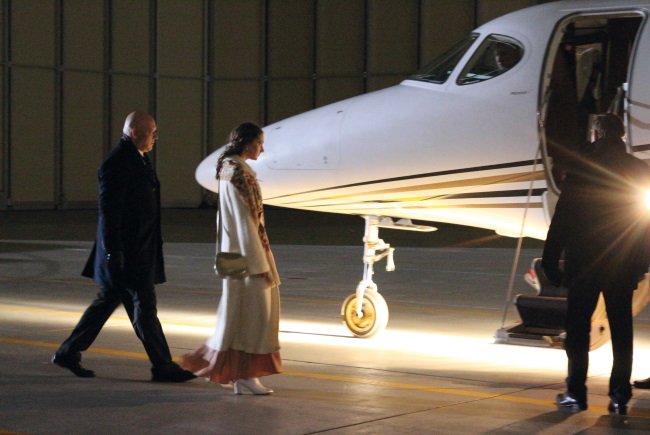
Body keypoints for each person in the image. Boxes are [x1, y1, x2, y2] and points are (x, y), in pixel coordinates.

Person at [51, 112, 196, 383]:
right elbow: (109, 212)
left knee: (113, 303)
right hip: (128, 253)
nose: (156, 137)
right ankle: (163, 366)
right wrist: (113, 252)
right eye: (151, 131)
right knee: (143, 306)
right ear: (134, 132)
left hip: (136, 250)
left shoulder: (137, 158)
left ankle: (68, 352)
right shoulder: (118, 162)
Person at [542, 113, 650, 415]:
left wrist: (551, 259)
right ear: (622, 135)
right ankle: (620, 396)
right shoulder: (639, 169)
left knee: (577, 329)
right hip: (622, 264)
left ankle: (576, 393)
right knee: (622, 330)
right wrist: (642, 260)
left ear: (595, 134)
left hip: (584, 263)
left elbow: (563, 216)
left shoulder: (582, 167)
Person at [181, 122, 282, 395]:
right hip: (248, 256)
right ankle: (246, 374)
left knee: (237, 313)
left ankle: (239, 375)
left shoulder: (227, 167)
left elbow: (228, 215)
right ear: (247, 143)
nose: (262, 149)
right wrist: (259, 262)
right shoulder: (240, 172)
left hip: (234, 252)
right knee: (255, 315)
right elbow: (245, 219)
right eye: (259, 143)